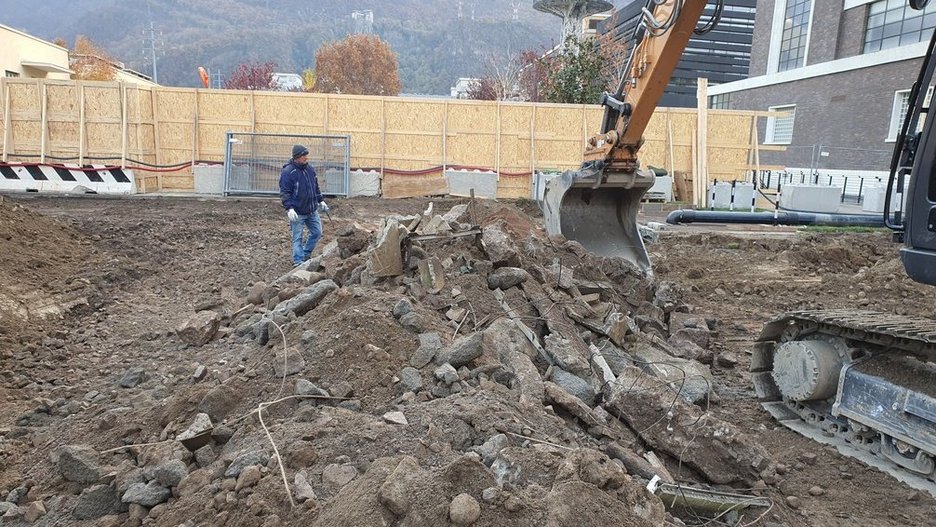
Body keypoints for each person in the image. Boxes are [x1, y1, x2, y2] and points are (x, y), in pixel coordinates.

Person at [279, 144, 329, 265]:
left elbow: (315, 187)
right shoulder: (289, 172)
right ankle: (298, 261)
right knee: (297, 238)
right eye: (303, 156)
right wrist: (289, 208)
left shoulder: (310, 170)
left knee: (317, 232)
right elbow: (285, 192)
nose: (306, 158)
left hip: (311, 210)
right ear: (297, 157)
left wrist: (321, 200)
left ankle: (306, 254)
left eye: (306, 155)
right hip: (298, 212)